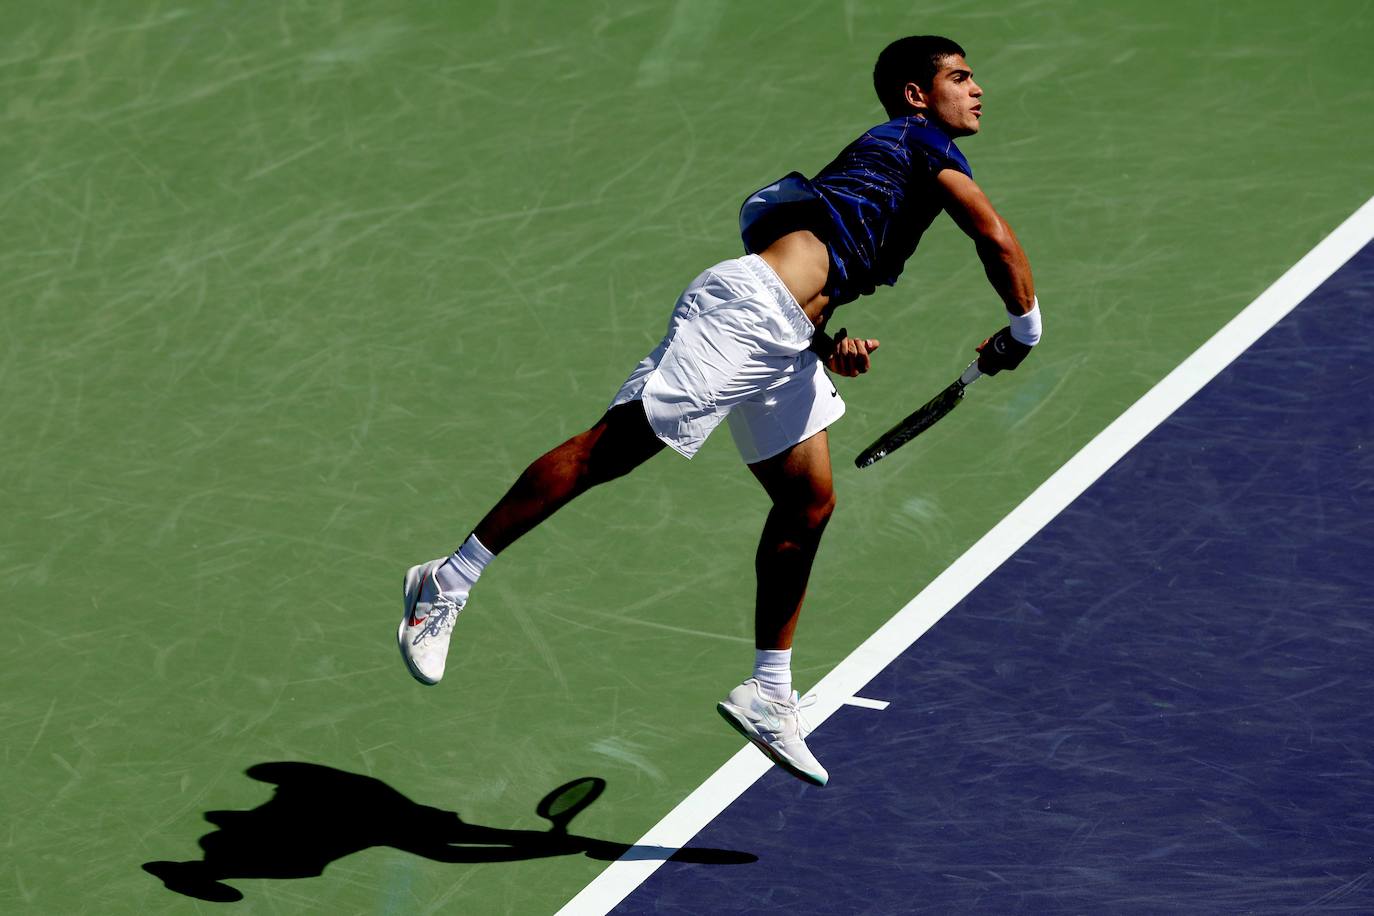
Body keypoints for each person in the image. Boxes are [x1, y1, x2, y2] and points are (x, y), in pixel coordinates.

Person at [397, 35, 1040, 787]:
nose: (978, 89)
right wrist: (1027, 326)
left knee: (809, 502)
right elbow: (992, 236)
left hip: (787, 337)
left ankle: (769, 693)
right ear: (915, 95)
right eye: (960, 77)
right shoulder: (919, 143)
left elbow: (814, 261)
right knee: (613, 450)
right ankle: (446, 580)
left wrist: (825, 343)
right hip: (747, 315)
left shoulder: (888, 170)